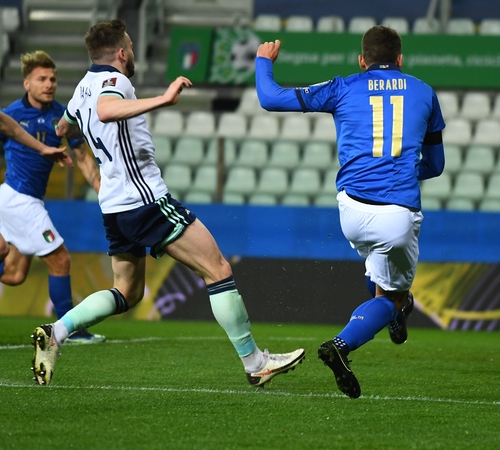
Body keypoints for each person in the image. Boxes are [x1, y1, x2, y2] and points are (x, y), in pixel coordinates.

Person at [31, 19, 305, 386]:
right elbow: (107, 111)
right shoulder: (116, 82)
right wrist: (164, 98)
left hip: (114, 207)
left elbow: (63, 128)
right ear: (122, 53)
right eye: (128, 48)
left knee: (127, 292)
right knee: (218, 269)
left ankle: (57, 332)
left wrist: (71, 145)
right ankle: (256, 363)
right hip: (144, 199)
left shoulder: (81, 88)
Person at [255, 25, 445, 398]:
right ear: (401, 60)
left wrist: (263, 62)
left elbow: (270, 98)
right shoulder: (424, 92)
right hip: (397, 214)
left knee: (379, 264)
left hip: (351, 211)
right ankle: (346, 343)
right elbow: (435, 165)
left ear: (362, 61)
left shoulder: (344, 86)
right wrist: (405, 169)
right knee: (390, 296)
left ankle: (393, 310)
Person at [0, 51, 105, 344]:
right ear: (26, 83)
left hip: (19, 200)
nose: (49, 84)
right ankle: (69, 330)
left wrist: (100, 188)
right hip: (19, 198)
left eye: (53, 79)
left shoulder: (62, 116)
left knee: (15, 273)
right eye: (42, 79)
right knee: (60, 260)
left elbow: (82, 156)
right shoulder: (11, 116)